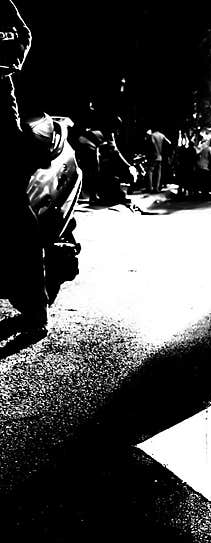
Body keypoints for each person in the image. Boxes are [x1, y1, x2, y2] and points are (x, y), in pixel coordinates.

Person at [0, 0, 49, 340]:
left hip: (0, 122)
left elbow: (24, 35)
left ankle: (36, 311)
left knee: (14, 211)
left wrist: (9, 62)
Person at [146, 128, 171, 193]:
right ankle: (156, 188)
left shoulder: (152, 135)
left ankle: (150, 188)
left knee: (150, 171)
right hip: (160, 156)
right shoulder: (162, 135)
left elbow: (152, 143)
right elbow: (169, 143)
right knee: (158, 172)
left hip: (153, 156)